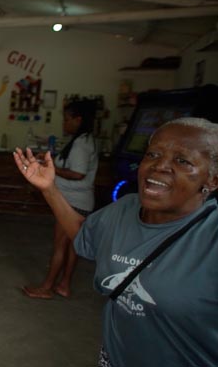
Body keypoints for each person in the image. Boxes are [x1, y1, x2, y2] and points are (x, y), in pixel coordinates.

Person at [13, 117, 218, 366]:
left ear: (212, 180)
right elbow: (84, 233)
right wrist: (49, 189)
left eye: (182, 160)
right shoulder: (123, 209)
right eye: (152, 154)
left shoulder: (211, 235)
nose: (159, 166)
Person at [22, 100, 98, 299]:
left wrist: (51, 171)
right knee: (74, 245)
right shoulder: (84, 139)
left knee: (60, 246)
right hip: (82, 202)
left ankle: (47, 287)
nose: (64, 123)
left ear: (78, 119)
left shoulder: (81, 143)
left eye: (67, 119)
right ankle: (64, 284)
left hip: (73, 203)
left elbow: (78, 173)